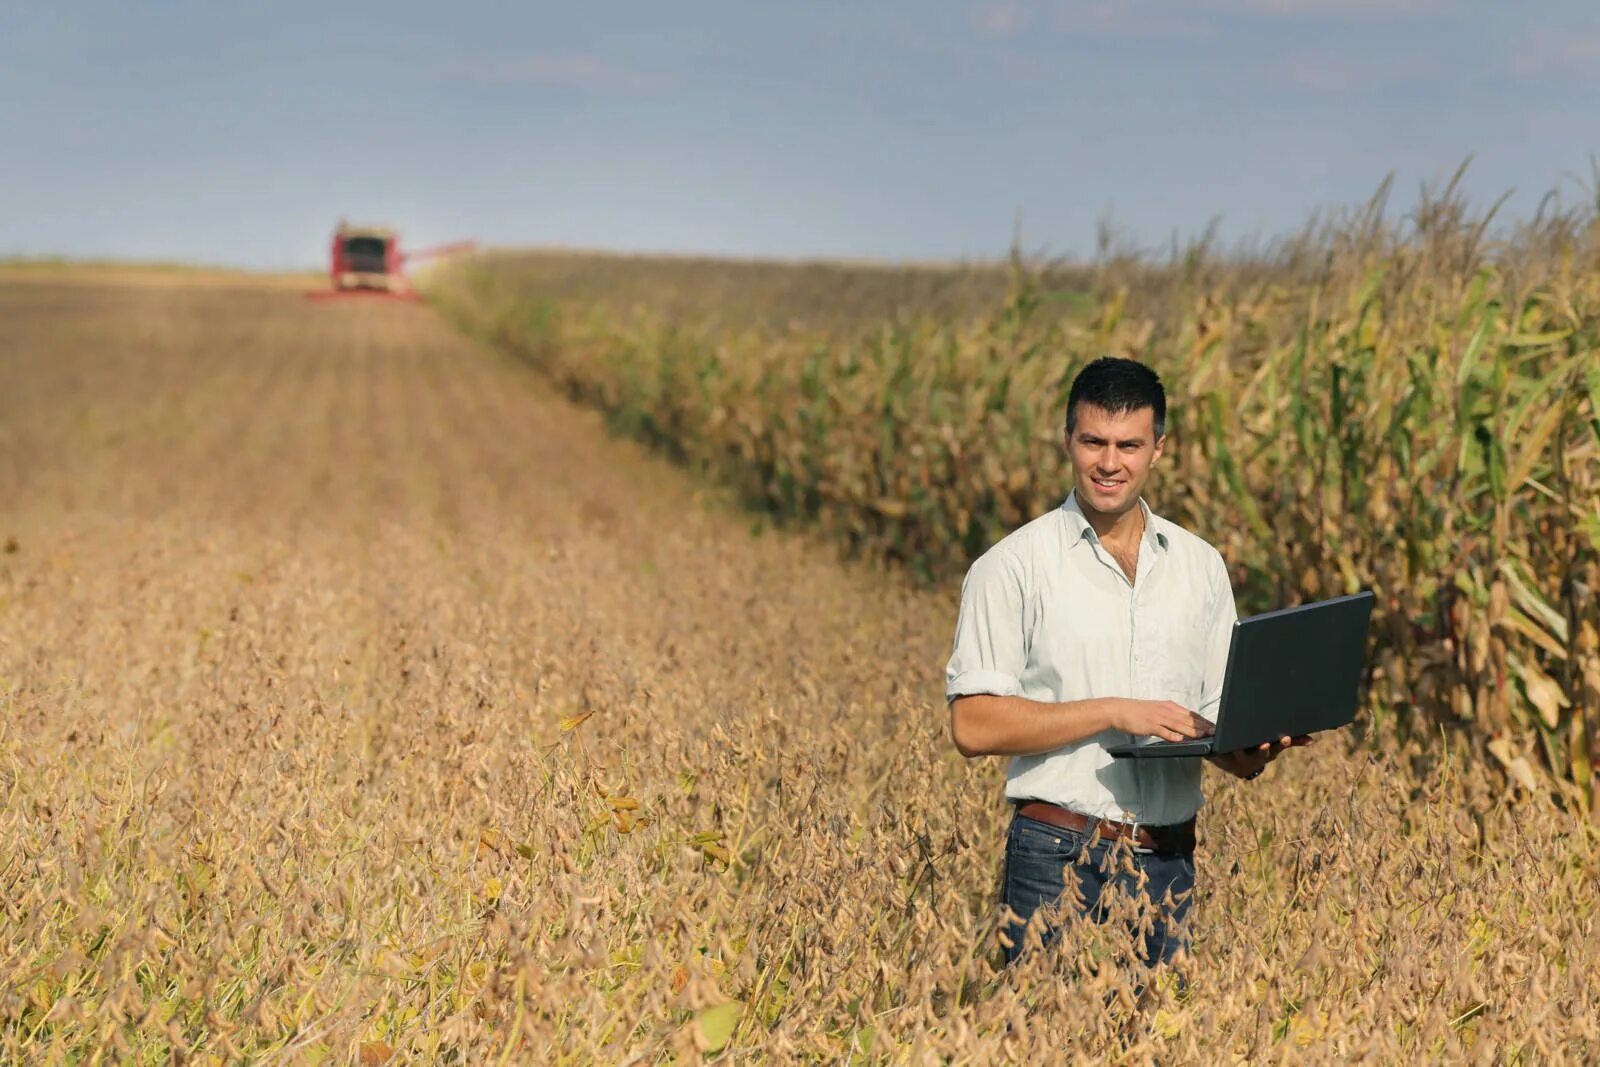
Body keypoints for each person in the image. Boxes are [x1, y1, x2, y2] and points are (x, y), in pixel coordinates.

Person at [944, 356, 1310, 968]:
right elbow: (973, 726)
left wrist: (1255, 747)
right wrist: (1116, 710)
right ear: (1067, 441)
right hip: (1056, 854)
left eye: (1129, 445)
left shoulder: (1201, 567)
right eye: (1093, 442)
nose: (1109, 463)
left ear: (1158, 449)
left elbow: (1216, 727)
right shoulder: (1011, 567)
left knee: (1158, 1044)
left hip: (1170, 861)